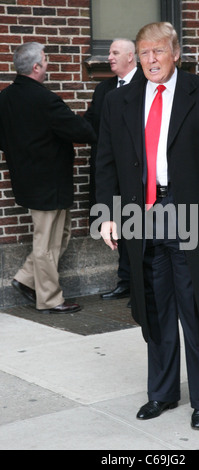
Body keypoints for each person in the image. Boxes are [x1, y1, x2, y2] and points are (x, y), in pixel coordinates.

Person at [95, 22, 199, 430]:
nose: (151, 60)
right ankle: (161, 393)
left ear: (176, 53)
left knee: (196, 307)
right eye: (143, 53)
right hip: (143, 215)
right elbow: (104, 162)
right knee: (155, 307)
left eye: (158, 51)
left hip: (190, 211)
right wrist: (106, 214)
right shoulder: (118, 102)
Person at [0, 42, 97, 314]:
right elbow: (81, 131)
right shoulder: (44, 99)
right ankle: (50, 299)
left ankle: (25, 278)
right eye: (45, 60)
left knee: (60, 236)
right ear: (35, 67)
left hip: (28, 181)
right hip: (49, 183)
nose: (48, 64)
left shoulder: (4, 99)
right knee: (46, 242)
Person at [85, 39, 143, 301]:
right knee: (118, 228)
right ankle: (126, 281)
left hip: (138, 174)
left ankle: (143, 286)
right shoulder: (104, 90)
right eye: (108, 52)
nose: (108, 57)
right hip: (112, 175)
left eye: (115, 52)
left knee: (140, 231)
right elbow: (89, 124)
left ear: (131, 57)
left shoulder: (147, 85)